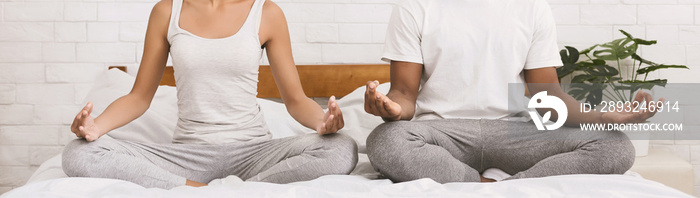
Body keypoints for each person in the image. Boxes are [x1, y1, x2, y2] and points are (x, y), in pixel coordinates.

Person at [62, 0, 357, 189]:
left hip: (253, 153)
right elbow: (139, 97)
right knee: (78, 153)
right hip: (186, 156)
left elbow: (295, 101)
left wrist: (323, 122)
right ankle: (195, 189)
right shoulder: (167, 11)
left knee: (342, 147)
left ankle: (242, 189)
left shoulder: (266, 12)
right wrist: (95, 127)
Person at [364, 0, 659, 183]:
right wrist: (392, 108)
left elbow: (550, 99)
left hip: (514, 134)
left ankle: (514, 184)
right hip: (442, 135)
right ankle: (480, 183)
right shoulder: (413, 7)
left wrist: (604, 117)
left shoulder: (531, 7)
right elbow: (404, 94)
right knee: (385, 140)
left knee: (615, 145)